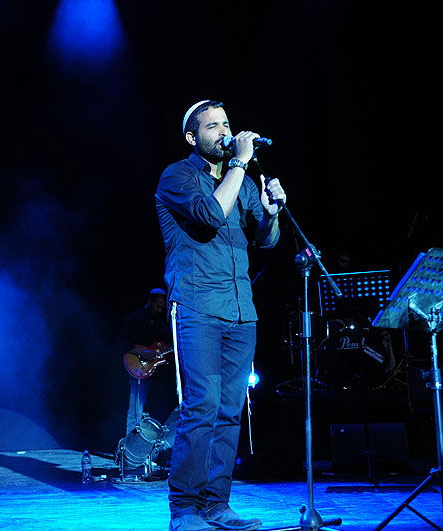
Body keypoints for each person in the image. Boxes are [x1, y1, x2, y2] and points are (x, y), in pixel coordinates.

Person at [155, 100, 285, 531]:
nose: (225, 131)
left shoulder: (240, 181)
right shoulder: (177, 176)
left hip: (241, 309)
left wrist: (271, 214)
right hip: (197, 306)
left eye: (226, 123)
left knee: (230, 411)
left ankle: (216, 504)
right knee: (202, 406)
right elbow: (211, 215)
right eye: (213, 126)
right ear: (192, 137)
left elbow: (266, 241)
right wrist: (241, 165)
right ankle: (184, 509)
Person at [115, 288, 174, 437]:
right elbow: (121, 341)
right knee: (136, 407)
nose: (160, 310)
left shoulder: (160, 325)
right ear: (150, 301)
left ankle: (148, 443)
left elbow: (164, 349)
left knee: (153, 408)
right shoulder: (135, 318)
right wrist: (142, 352)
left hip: (154, 373)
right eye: (158, 305)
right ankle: (129, 443)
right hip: (137, 368)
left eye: (162, 307)